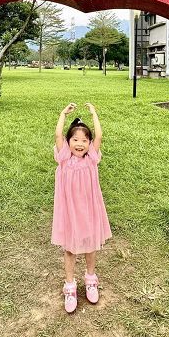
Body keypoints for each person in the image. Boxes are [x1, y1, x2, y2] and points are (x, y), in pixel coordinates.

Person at [52, 102, 112, 314]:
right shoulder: (64, 159)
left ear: (89, 143)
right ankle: (69, 286)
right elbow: (57, 135)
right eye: (75, 140)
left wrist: (94, 114)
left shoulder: (91, 159)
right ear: (68, 142)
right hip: (69, 214)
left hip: (88, 212)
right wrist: (63, 114)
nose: (80, 144)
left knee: (90, 246)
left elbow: (99, 136)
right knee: (70, 249)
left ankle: (90, 279)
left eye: (84, 140)